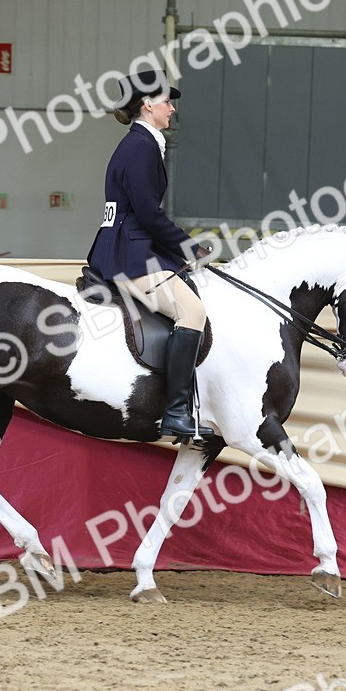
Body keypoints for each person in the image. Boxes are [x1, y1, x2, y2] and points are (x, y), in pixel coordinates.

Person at [86, 71, 213, 439]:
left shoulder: (141, 143)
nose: (172, 109)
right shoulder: (141, 146)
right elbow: (146, 212)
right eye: (167, 102)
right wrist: (188, 246)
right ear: (147, 104)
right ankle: (175, 411)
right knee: (193, 311)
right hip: (130, 253)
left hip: (128, 245)